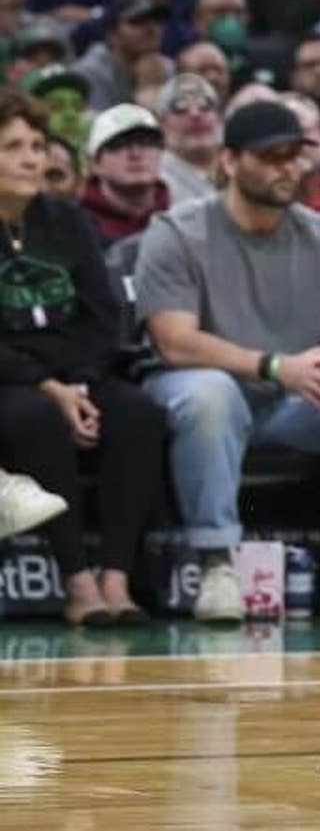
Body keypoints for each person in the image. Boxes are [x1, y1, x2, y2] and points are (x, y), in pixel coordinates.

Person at [136, 99, 320, 621]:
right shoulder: (177, 232)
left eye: (295, 155)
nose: (288, 168)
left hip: (295, 396)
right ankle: (217, 564)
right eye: (272, 157)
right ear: (229, 161)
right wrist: (275, 366)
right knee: (210, 395)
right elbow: (173, 340)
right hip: (201, 389)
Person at [0, 86, 166, 623]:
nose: (32, 158)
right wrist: (51, 386)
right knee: (37, 418)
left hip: (75, 372)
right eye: (12, 146)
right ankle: (77, 582)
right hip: (12, 380)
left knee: (139, 414)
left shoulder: (69, 221)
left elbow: (103, 313)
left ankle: (115, 577)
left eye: (37, 144)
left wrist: (82, 382)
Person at [77, 102, 169, 241]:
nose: (136, 154)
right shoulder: (74, 225)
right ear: (94, 162)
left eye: (147, 142)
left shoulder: (183, 213)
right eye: (119, 145)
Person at [70, 0, 165, 110]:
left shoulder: (166, 65)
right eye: (137, 21)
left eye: (156, 20)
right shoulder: (90, 73)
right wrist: (147, 89)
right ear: (113, 35)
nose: (151, 28)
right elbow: (103, 126)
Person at [156, 72, 222, 205]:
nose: (195, 114)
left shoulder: (239, 172)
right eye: (180, 107)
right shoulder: (154, 183)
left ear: (219, 119)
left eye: (205, 105)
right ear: (161, 126)